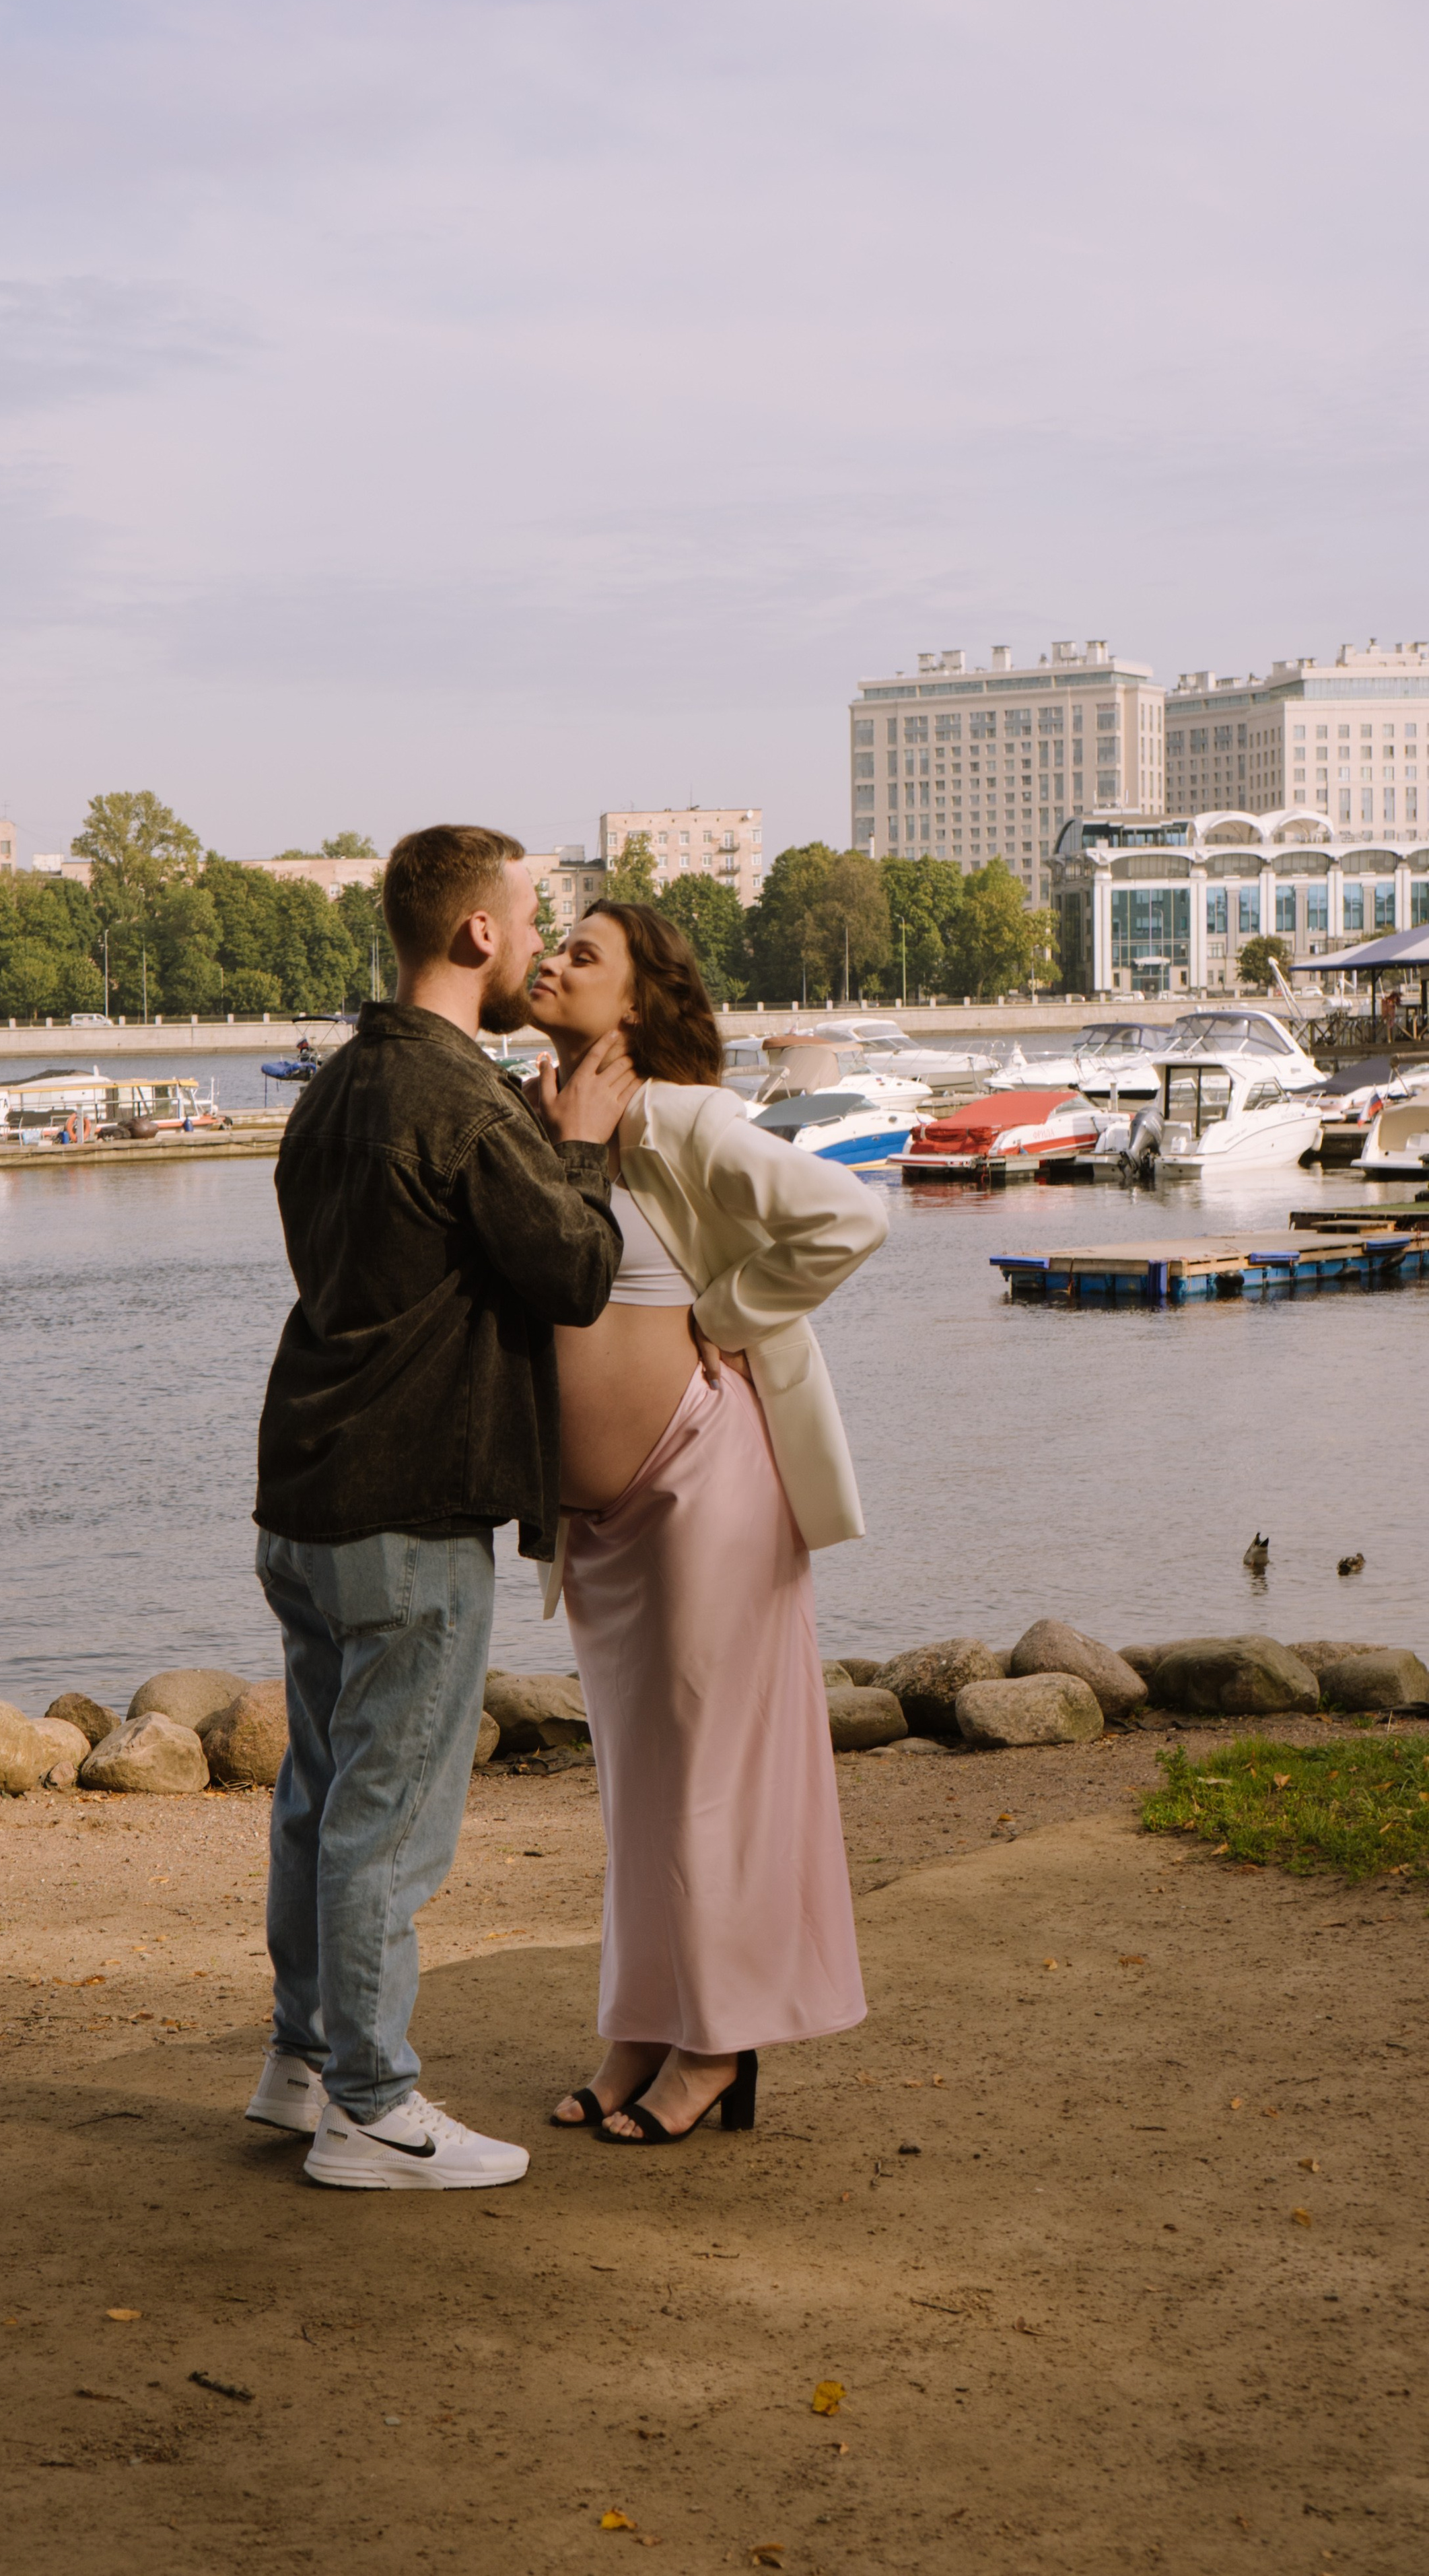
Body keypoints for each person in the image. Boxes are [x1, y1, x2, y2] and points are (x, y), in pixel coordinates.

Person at [247, 824, 638, 2190]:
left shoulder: (336, 1086)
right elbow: (577, 1273)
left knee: (319, 1797)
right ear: (477, 933)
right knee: (386, 1821)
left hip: (302, 1491)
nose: (536, 941)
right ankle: (369, 2107)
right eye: (529, 919)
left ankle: (302, 2067)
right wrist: (578, 1141)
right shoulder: (460, 1100)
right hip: (407, 1504)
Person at [525, 902, 887, 2144]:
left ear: (636, 1002)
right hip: (608, 1522)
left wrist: (726, 1314)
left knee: (711, 1779)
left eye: (584, 954)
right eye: (552, 941)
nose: (552, 960)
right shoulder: (554, 1116)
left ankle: (718, 2045)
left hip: (704, 1480)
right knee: (640, 1781)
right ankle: (640, 2025)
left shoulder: (680, 1115)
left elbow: (849, 1214)